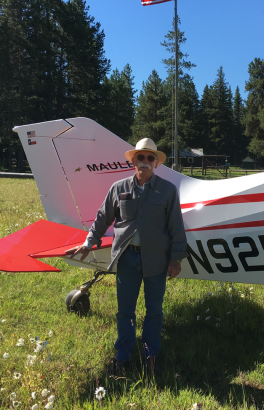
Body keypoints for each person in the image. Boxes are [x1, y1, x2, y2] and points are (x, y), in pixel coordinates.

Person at [65, 138, 188, 375]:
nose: (145, 162)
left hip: (157, 260)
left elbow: (176, 227)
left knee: (154, 311)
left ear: (156, 163)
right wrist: (89, 243)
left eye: (150, 157)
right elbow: (103, 218)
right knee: (125, 311)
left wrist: (176, 259)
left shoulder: (168, 191)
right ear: (133, 161)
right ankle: (123, 355)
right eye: (140, 157)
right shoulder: (118, 188)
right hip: (127, 259)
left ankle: (151, 355)